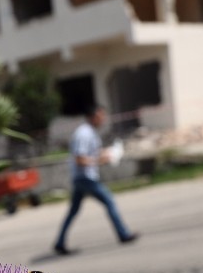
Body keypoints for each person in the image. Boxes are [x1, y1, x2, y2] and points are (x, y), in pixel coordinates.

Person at [53, 105, 139, 255]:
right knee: (109, 201)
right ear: (93, 117)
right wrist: (100, 160)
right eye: (101, 116)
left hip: (81, 178)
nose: (103, 119)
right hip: (85, 178)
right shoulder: (84, 133)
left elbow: (92, 152)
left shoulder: (90, 133)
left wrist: (109, 152)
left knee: (73, 211)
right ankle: (123, 234)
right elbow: (80, 159)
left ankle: (60, 242)